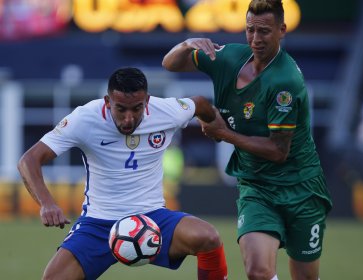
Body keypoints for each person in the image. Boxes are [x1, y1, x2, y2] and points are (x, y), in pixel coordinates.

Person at [162, 0, 332, 279]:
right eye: (250, 30)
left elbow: (278, 151)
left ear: (282, 30)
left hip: (302, 188)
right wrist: (187, 44)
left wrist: (223, 133)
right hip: (257, 187)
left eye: (264, 31)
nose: (256, 39)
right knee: (258, 272)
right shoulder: (227, 58)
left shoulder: (284, 82)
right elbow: (170, 64)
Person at [17, 67, 228, 280]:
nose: (128, 119)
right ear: (107, 102)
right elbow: (29, 160)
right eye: (120, 109)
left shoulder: (166, 111)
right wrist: (46, 203)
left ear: (147, 101)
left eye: (136, 109)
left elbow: (199, 103)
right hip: (99, 223)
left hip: (152, 217)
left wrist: (214, 124)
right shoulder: (85, 118)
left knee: (207, 238)